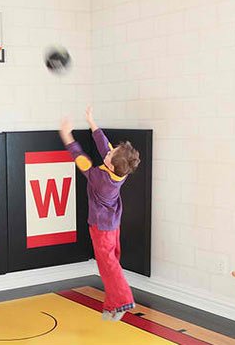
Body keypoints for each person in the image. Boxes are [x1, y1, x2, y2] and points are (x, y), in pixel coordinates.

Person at [59, 106, 141, 321]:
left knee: (109, 266)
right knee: (108, 263)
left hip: (102, 227)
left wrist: (67, 136)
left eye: (111, 153)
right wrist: (91, 122)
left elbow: (80, 158)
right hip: (113, 223)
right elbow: (104, 145)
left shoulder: (100, 179)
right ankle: (112, 305)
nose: (109, 150)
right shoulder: (118, 170)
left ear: (111, 165)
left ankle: (123, 300)